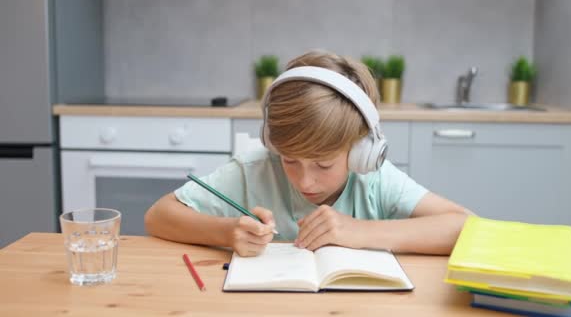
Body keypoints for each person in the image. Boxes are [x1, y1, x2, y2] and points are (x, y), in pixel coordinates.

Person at [145, 50, 473, 257]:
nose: (306, 180)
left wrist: (358, 231)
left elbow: (466, 226)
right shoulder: (256, 169)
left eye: (323, 164)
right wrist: (227, 232)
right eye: (290, 160)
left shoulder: (372, 179)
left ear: (361, 152)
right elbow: (158, 216)